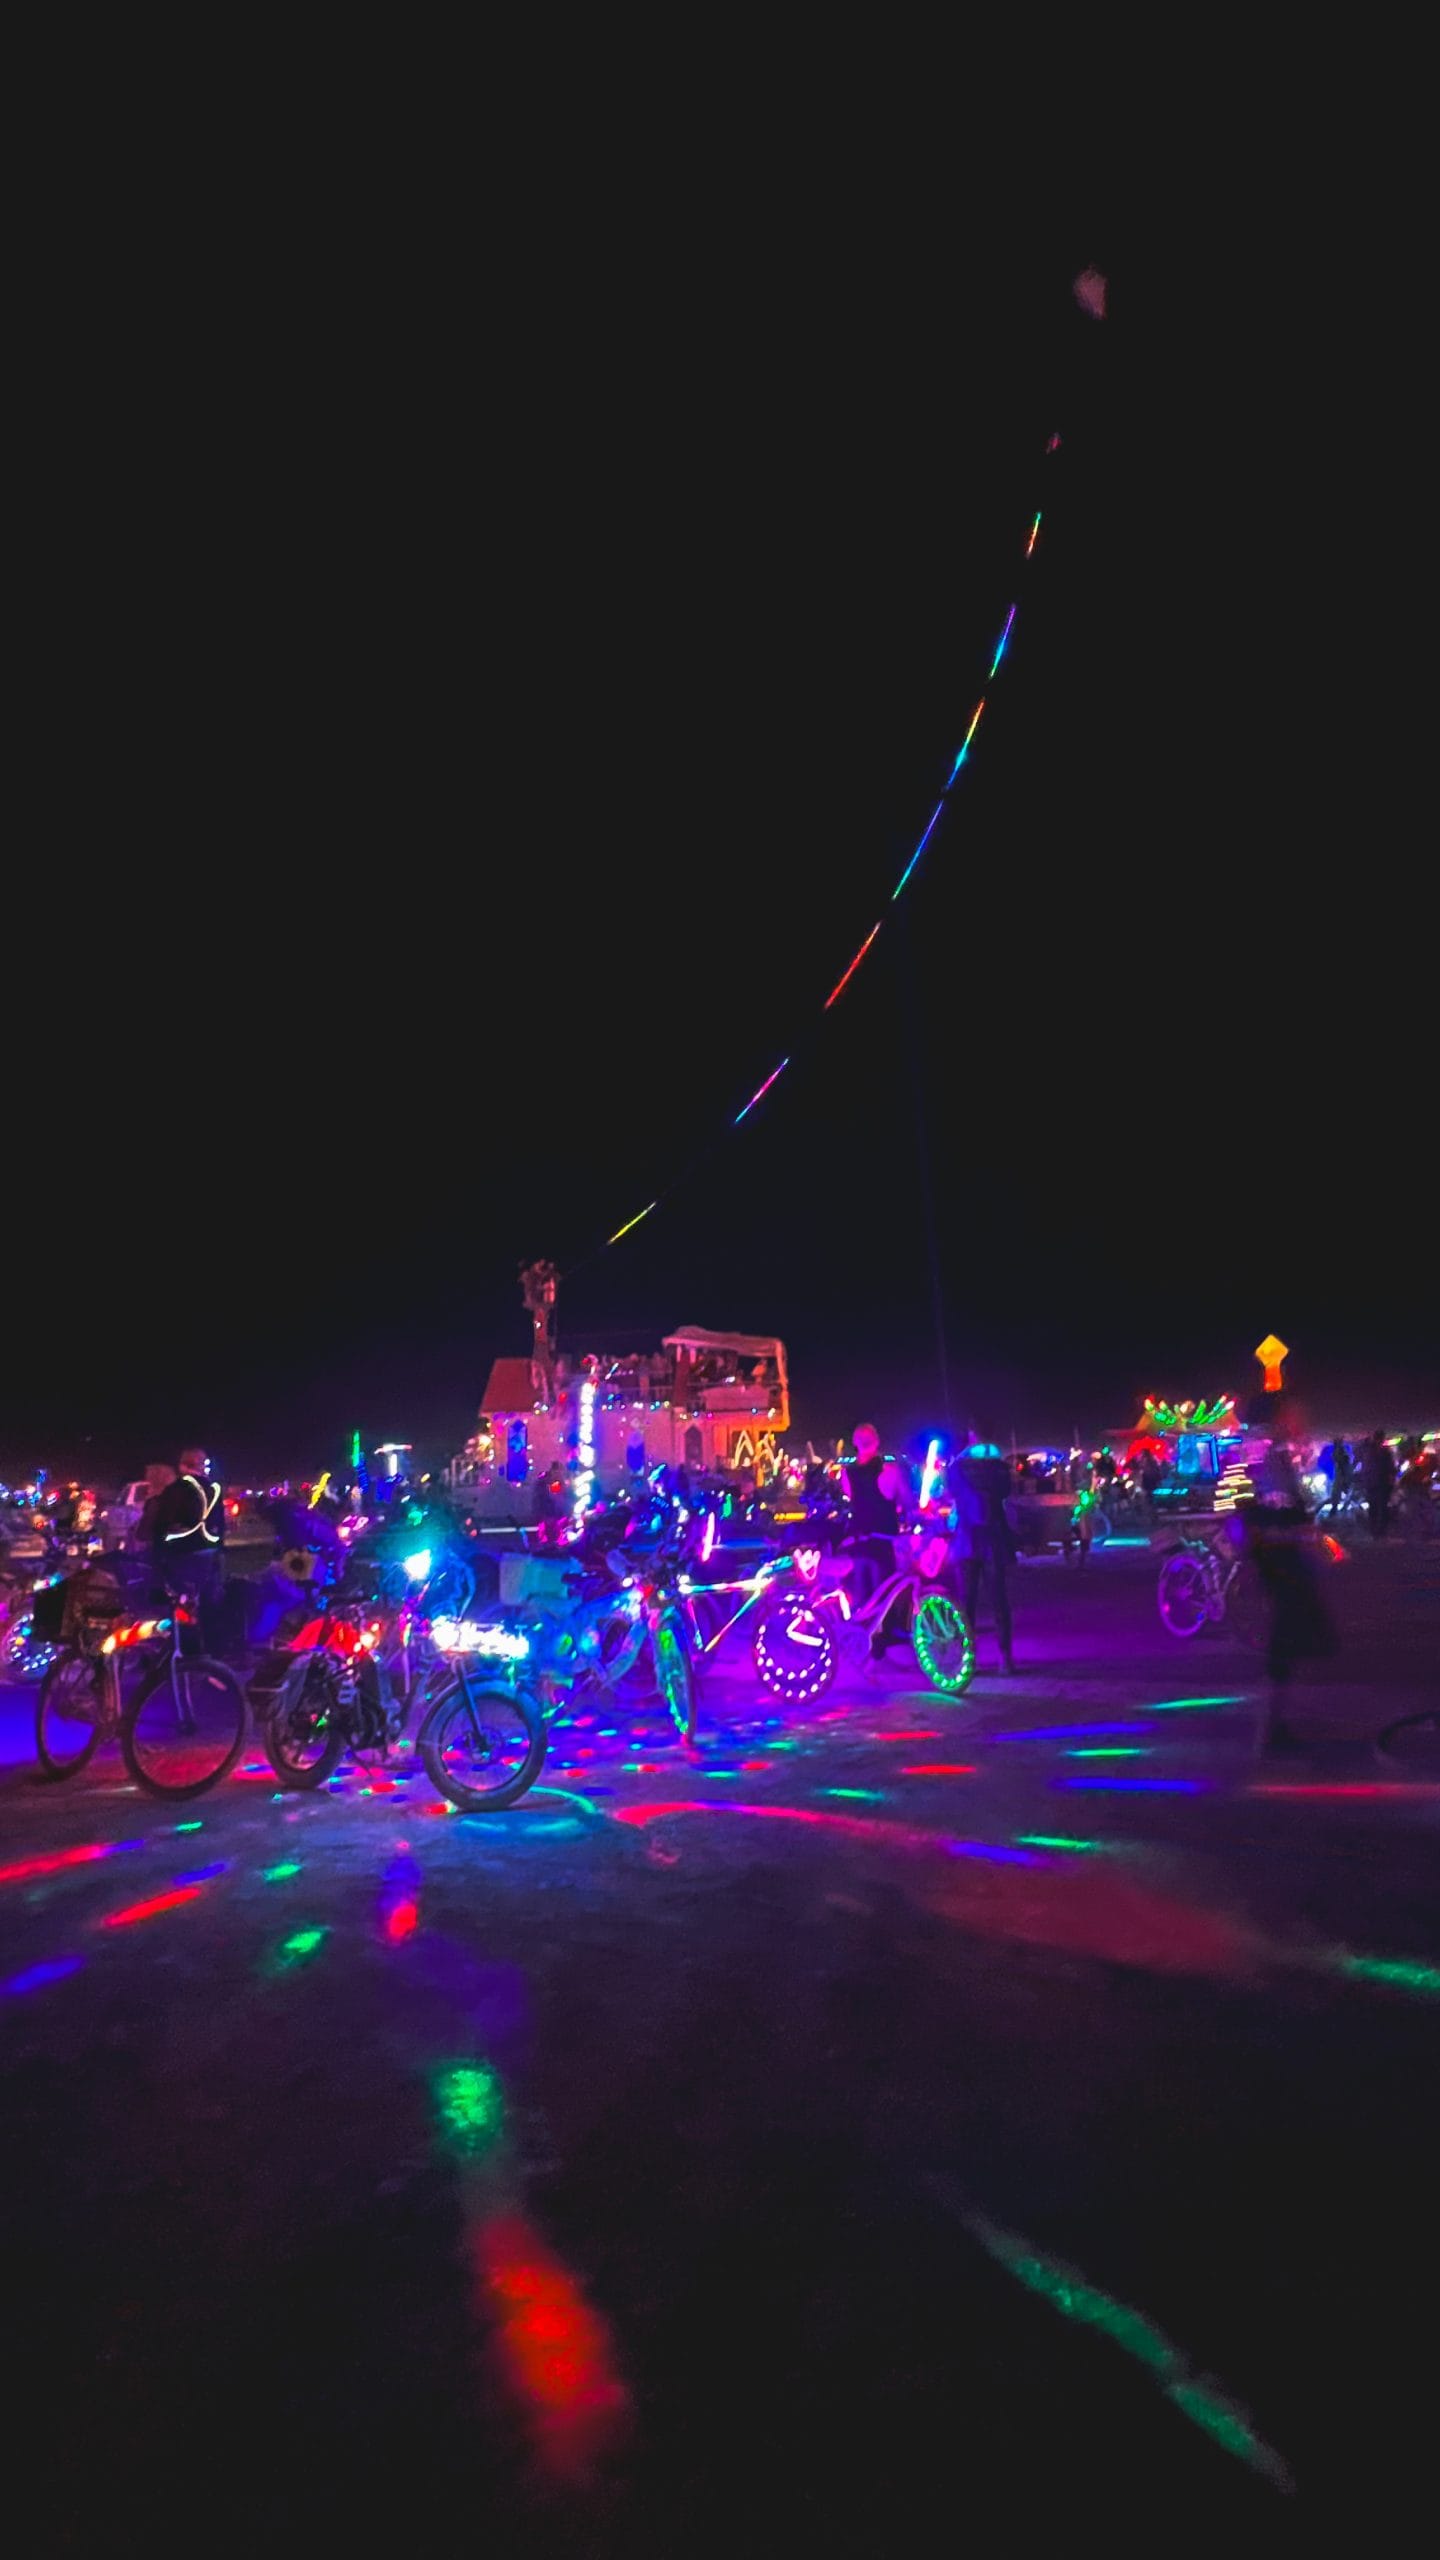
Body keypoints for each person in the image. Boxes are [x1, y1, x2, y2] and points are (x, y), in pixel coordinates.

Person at [841, 1424, 911, 1659]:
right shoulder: (889, 1471)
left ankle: (867, 1642)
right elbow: (905, 1501)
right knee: (889, 1590)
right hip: (884, 1540)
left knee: (864, 1594)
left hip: (860, 1540)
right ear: (877, 1441)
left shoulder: (847, 1473)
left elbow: (854, 1499)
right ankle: (891, 1633)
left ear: (855, 1442)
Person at [951, 1428, 1017, 1674]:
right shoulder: (1000, 1467)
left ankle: (969, 1659)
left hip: (967, 1537)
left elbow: (952, 1494)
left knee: (967, 1602)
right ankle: (1005, 1658)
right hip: (994, 1536)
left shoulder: (957, 1468)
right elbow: (1007, 1494)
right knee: (999, 1599)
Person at [151, 1447, 225, 1606]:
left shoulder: (177, 1489)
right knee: (207, 1602)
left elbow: (163, 1522)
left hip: (182, 1552)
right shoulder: (214, 1489)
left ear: (183, 1465)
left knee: (177, 1598)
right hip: (208, 1551)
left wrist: (158, 1547)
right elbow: (220, 1522)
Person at [1363, 1429, 1396, 1539]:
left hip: (1375, 1485)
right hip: (1380, 1485)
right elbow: (1390, 1468)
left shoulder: (1369, 1451)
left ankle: (1376, 1531)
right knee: (1380, 1508)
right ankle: (1379, 1531)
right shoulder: (1383, 1452)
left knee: (1376, 1508)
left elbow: (1366, 1468)